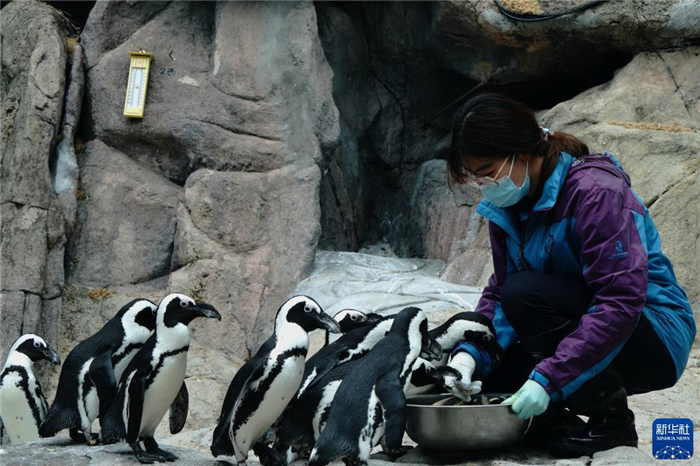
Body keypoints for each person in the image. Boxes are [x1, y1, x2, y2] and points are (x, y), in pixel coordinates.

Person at [444, 93, 696, 457]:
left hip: (651, 334)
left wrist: (548, 380)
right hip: (581, 322)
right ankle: (553, 427)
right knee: (491, 378)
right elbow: (498, 294)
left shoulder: (595, 192)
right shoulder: (508, 207)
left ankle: (611, 423)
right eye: (476, 179)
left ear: (523, 154)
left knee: (525, 294)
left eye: (488, 173)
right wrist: (471, 352)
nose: (485, 186)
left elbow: (620, 300)